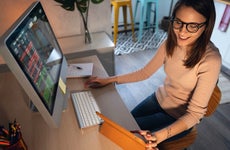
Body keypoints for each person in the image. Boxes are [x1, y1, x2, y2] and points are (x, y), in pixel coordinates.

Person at [85, 0, 221, 149]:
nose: (182, 32)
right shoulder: (171, 42)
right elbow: (145, 72)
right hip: (158, 99)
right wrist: (109, 80)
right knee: (122, 126)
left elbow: (195, 115)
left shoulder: (211, 60)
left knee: (127, 137)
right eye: (178, 22)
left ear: (206, 25)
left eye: (193, 26)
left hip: (178, 117)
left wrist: (159, 135)